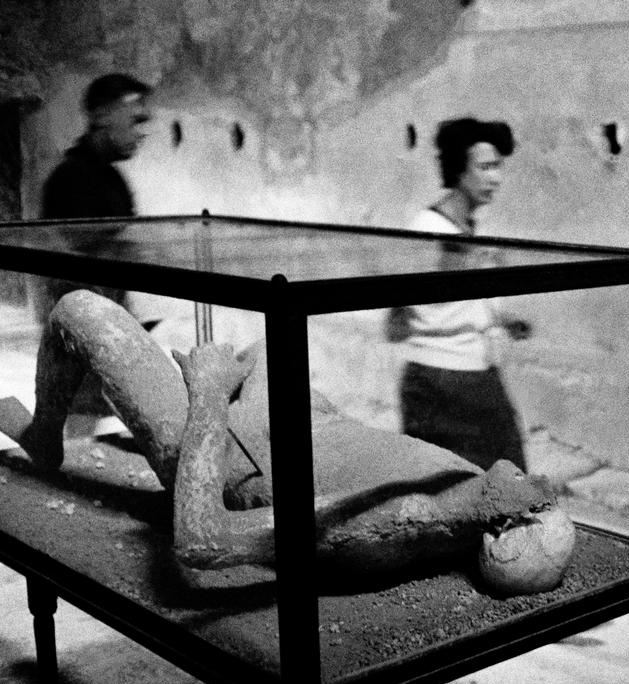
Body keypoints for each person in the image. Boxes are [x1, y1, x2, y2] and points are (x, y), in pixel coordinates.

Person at [0, 290, 576, 597]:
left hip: (222, 451)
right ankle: (84, 414)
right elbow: (365, 448)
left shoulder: (387, 528)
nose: (521, 473)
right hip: (292, 421)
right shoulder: (464, 485)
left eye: (529, 499)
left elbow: (204, 541)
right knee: (275, 327)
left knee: (82, 313)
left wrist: (206, 395)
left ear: (498, 528)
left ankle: (45, 436)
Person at [389, 117, 532, 472]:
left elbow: (453, 299)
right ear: (458, 168)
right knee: (480, 487)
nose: (495, 177)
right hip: (441, 380)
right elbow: (398, 309)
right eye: (485, 166)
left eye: (498, 167)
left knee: (505, 484)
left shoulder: (468, 229)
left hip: (476, 374)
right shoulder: (428, 231)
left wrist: (501, 319)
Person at [37, 72, 152, 313]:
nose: (142, 133)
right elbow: (82, 265)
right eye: (135, 120)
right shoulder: (70, 179)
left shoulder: (112, 179)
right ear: (101, 115)